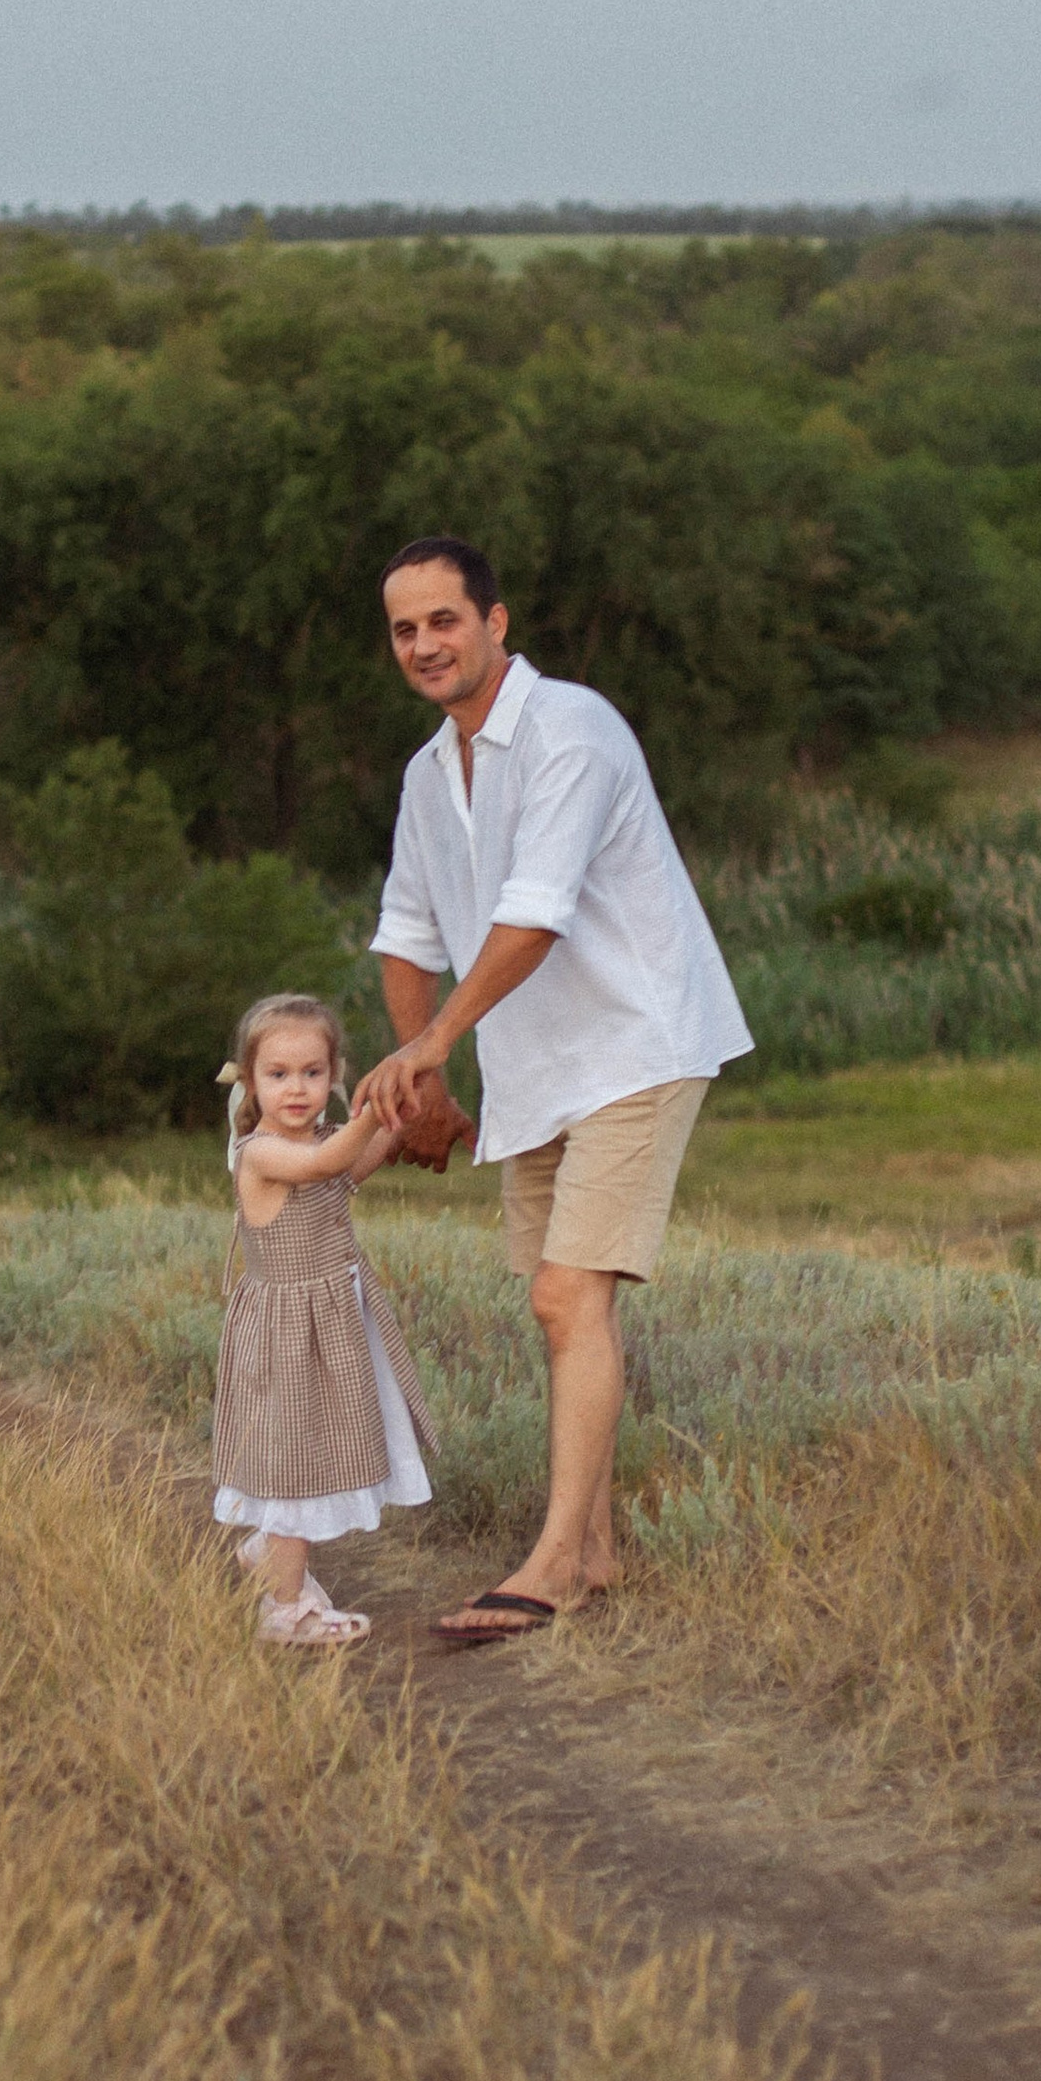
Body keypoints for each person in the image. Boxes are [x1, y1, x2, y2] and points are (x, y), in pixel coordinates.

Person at [352, 540, 751, 1647]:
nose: (425, 645)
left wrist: (433, 1047)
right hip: (535, 1061)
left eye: (444, 620)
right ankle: (599, 1546)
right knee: (557, 1302)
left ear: (494, 622)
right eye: (403, 630)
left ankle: (554, 1568)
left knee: (566, 1297)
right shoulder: (429, 775)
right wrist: (420, 1084)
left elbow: (535, 914)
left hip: (636, 1038)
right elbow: (404, 934)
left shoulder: (571, 729)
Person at [211, 990, 438, 1649]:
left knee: (317, 1447)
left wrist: (400, 1105)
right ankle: (284, 1611)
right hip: (286, 1333)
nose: (297, 1088)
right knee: (294, 1463)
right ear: (251, 1080)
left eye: (313, 1073)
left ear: (334, 1074)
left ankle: (268, 1553)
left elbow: (359, 1161)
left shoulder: (324, 1138)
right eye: (278, 1075)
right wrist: (370, 1113)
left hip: (330, 1323)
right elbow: (326, 1165)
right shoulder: (262, 1152)